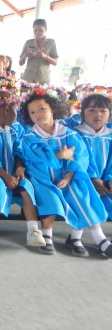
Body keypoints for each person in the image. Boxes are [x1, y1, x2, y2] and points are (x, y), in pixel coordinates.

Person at [19, 86, 108, 256]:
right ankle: (47, 237)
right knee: (50, 199)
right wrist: (60, 155)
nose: (38, 114)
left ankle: (89, 239)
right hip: (41, 179)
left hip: (66, 178)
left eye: (42, 109)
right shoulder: (30, 137)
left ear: (52, 109)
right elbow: (35, 158)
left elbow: (80, 157)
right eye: (32, 112)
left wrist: (68, 176)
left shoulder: (68, 133)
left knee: (81, 193)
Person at [0, 89, 45, 246]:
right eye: (16, 110)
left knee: (27, 186)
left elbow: (19, 151)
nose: (18, 116)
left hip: (14, 172)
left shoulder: (14, 129)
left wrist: (19, 167)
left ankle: (33, 229)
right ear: (7, 110)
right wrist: (5, 176)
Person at [74, 93, 112, 257]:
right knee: (85, 197)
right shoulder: (75, 134)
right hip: (81, 180)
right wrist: (92, 178)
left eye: (103, 111)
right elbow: (78, 160)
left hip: (104, 183)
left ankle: (75, 237)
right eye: (92, 110)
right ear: (82, 113)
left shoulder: (110, 136)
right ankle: (81, 238)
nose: (98, 115)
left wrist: (109, 179)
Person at [19, 19, 59, 84]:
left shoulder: (51, 42)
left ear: (46, 29)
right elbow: (20, 63)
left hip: (43, 80)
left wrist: (44, 56)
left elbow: (55, 63)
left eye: (41, 30)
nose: (37, 32)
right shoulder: (28, 42)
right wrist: (25, 56)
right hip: (28, 79)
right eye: (35, 30)